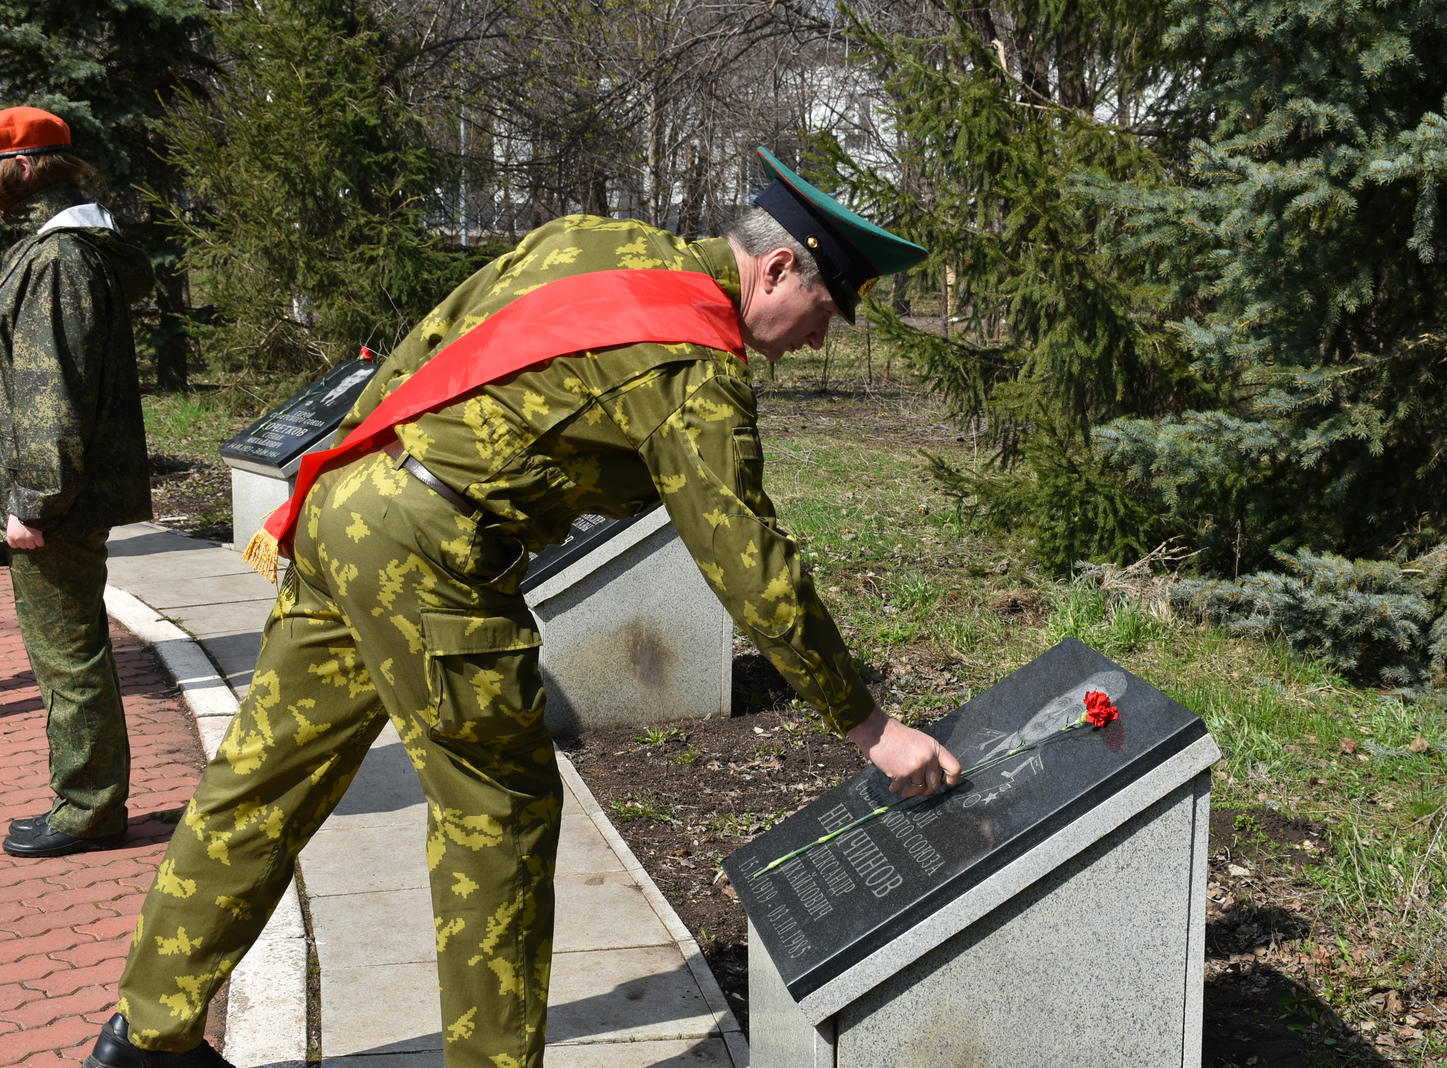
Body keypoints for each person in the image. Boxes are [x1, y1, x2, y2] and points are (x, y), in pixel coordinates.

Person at [83, 148, 960, 1068]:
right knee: (496, 818)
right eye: (827, 312)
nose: (819, 340)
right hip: (432, 552)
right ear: (778, 267)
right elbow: (750, 566)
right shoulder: (694, 366)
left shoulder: (600, 242)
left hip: (351, 506)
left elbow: (434, 338)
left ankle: (149, 1032)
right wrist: (869, 726)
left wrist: (338, 469)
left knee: (262, 782)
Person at [0, 107, 155, 860]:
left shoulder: (56, 260)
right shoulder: (71, 251)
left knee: (67, 655)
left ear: (25, 169)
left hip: (54, 501)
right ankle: (90, 798)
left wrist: (33, 500)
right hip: (67, 494)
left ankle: (88, 809)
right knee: (74, 648)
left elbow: (49, 393)